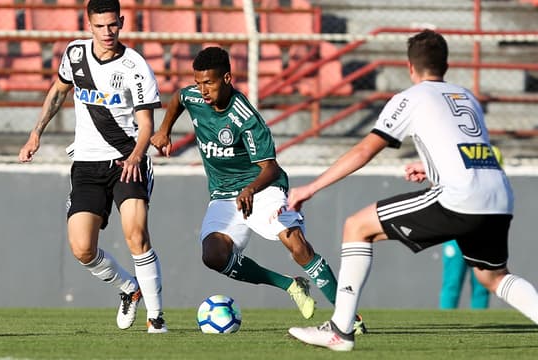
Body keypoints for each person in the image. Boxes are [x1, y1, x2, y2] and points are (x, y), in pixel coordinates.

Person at [286, 30, 538, 352]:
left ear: (410, 67)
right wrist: (429, 169)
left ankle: (340, 331)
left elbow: (364, 150)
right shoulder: (465, 96)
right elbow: (465, 150)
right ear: (446, 65)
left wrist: (310, 188)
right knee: (492, 276)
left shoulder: (410, 97)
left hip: (460, 196)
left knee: (356, 226)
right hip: (498, 195)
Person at [150, 46, 365, 333]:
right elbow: (178, 98)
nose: (202, 90)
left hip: (262, 188)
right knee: (213, 256)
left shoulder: (246, 118)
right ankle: (289, 285)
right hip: (224, 194)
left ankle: (349, 316)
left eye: (209, 83)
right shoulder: (194, 96)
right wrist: (164, 129)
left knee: (296, 244)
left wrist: (251, 188)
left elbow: (271, 168)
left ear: (227, 78)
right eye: (198, 82)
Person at [18, 0, 167, 333]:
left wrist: (135, 156)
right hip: (86, 164)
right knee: (82, 248)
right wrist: (35, 132)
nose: (107, 32)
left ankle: (156, 319)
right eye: (100, 26)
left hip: (127, 161)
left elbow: (146, 125)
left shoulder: (135, 66)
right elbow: (58, 92)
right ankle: (129, 289)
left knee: (136, 235)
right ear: (89, 26)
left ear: (122, 22)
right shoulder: (74, 56)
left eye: (113, 25)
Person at [439, 146, 502, 310]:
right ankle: (446, 326)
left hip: (483, 239)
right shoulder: (460, 177)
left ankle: (480, 326)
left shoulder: (495, 185)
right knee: (452, 283)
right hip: (456, 238)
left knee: (482, 285)